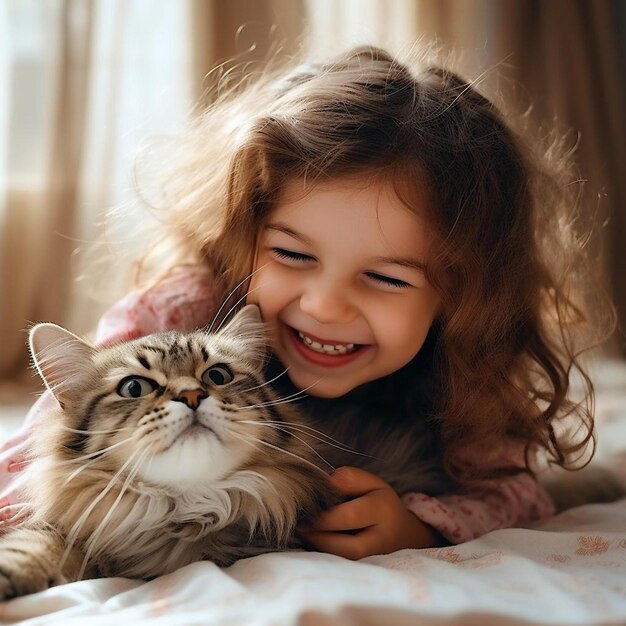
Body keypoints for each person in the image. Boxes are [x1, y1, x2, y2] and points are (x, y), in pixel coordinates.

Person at [0, 45, 614, 559]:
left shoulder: (469, 363)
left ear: (462, 295)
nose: (324, 306)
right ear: (245, 233)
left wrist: (418, 525)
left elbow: (516, 491)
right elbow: (42, 446)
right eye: (293, 256)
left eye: (388, 278)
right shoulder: (183, 307)